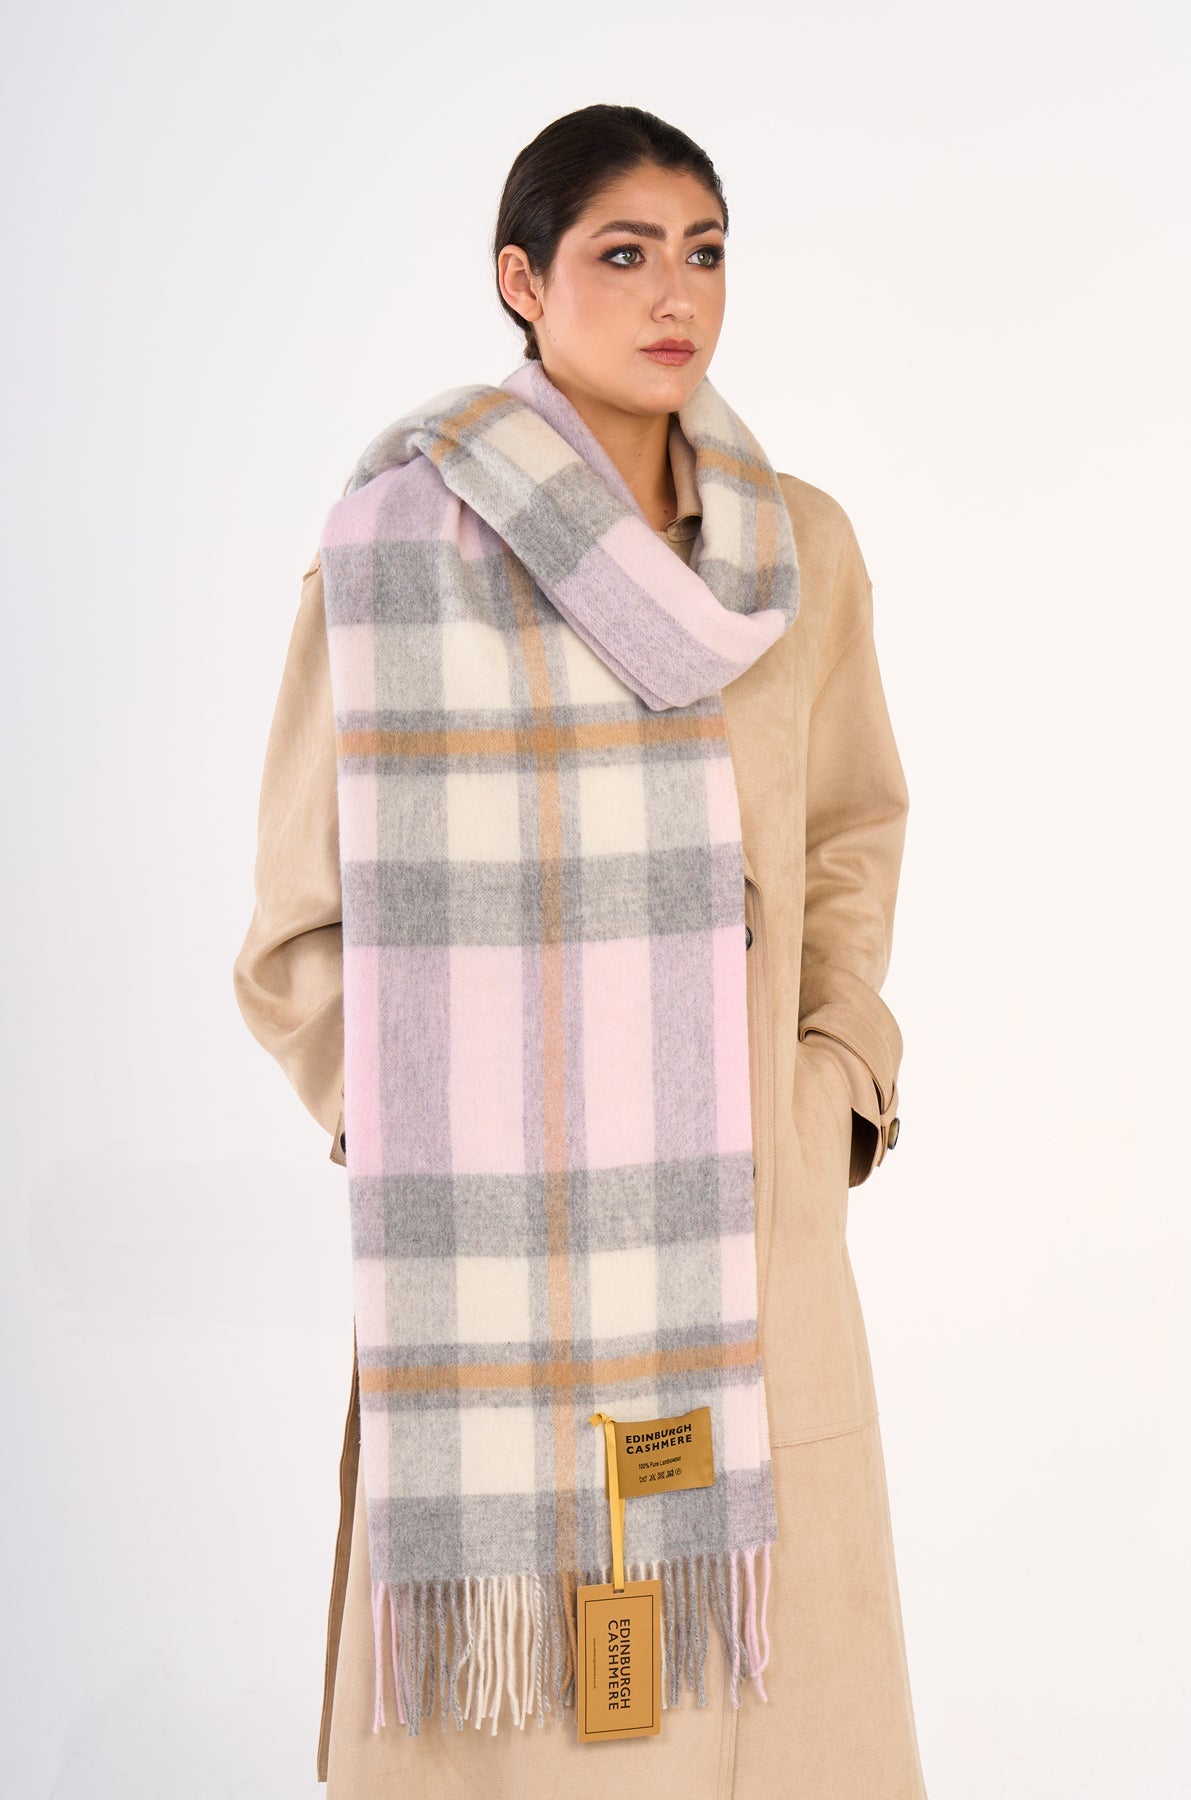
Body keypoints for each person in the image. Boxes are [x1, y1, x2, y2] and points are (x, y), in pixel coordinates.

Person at [233, 103, 926, 1799]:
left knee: (768, 1706)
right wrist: (433, 1119)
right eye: (623, 253)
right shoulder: (390, 564)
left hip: (750, 1241)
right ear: (522, 281)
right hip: (488, 1269)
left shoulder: (796, 555)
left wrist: (826, 1090)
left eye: (704, 252)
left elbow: (853, 831)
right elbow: (296, 933)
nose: (676, 293)